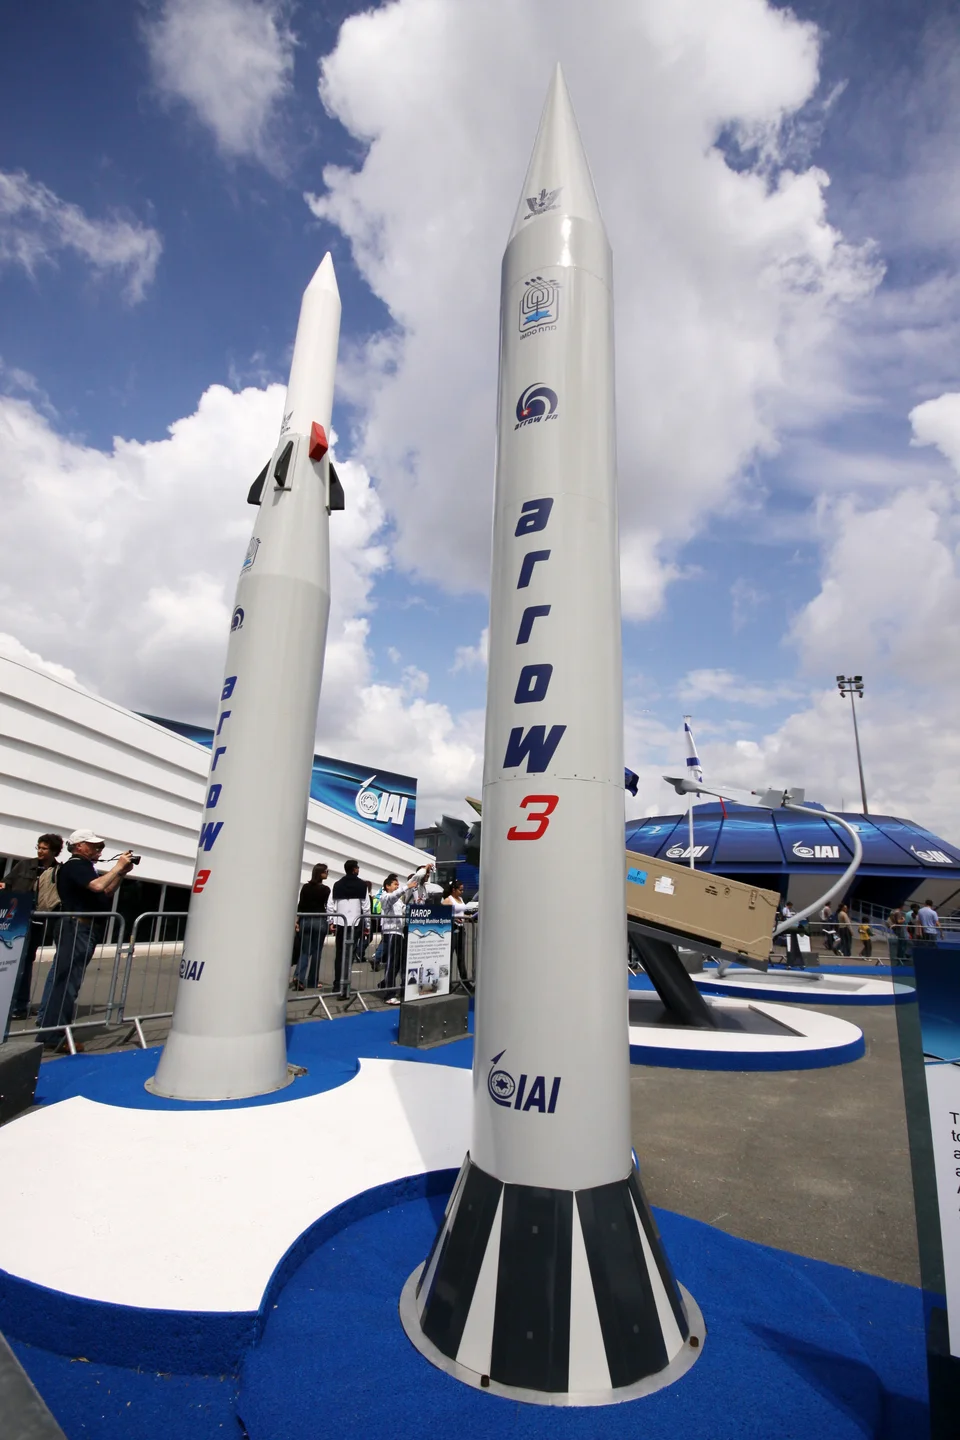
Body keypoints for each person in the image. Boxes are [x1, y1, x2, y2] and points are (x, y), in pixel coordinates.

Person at [37, 830, 134, 1048]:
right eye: (94, 845)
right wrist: (117, 867)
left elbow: (105, 891)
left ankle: (52, 1031)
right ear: (79, 846)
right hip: (76, 927)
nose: (99, 850)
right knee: (67, 982)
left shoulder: (85, 867)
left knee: (67, 980)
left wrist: (121, 873)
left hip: (82, 928)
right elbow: (97, 886)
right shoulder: (76, 865)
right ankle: (54, 1035)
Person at [3, 833, 63, 1021]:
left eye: (44, 848)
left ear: (54, 851)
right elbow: (8, 883)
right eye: (39, 847)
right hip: (17, 917)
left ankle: (20, 1005)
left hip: (38, 920)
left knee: (26, 961)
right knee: (13, 960)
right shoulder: (25, 865)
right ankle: (10, 1003)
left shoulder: (58, 871)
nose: (40, 851)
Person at [328, 860, 371, 993]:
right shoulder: (362, 885)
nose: (358, 869)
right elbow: (366, 907)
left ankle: (337, 983)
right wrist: (367, 924)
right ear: (354, 869)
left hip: (341, 923)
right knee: (349, 954)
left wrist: (331, 921)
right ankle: (345, 984)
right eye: (357, 867)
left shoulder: (337, 884)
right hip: (355, 923)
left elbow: (330, 905)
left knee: (340, 953)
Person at [294, 863, 329, 991]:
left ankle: (299, 976)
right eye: (326, 871)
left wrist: (297, 921)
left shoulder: (305, 887)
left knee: (305, 950)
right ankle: (312, 980)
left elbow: (301, 904)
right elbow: (327, 905)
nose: (327, 873)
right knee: (316, 952)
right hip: (319, 920)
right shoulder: (325, 889)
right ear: (321, 873)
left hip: (305, 919)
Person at [377, 875, 406, 1004]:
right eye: (395, 884)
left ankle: (385, 984)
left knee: (397, 963)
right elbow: (393, 897)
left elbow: (404, 910)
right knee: (392, 963)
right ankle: (389, 994)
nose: (397, 886)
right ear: (387, 886)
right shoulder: (385, 897)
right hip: (391, 932)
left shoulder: (399, 901)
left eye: (398, 884)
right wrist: (407, 887)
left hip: (399, 932)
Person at [442, 879, 473, 985]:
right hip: (452, 928)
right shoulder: (448, 900)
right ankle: (447, 982)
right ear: (454, 890)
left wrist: (468, 916)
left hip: (461, 928)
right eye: (460, 890)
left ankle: (465, 981)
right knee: (449, 956)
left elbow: (461, 912)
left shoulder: (460, 899)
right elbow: (441, 913)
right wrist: (454, 918)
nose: (462, 892)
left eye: (463, 890)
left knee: (461, 956)